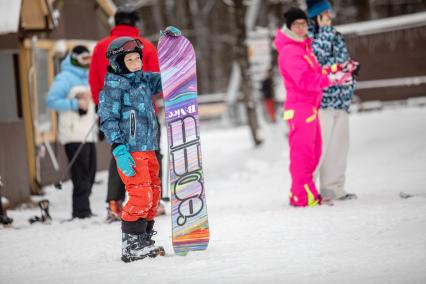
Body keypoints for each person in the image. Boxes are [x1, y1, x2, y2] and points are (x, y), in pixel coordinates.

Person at [89, 6, 165, 223]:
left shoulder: (100, 47)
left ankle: (114, 201)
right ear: (135, 22)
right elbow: (159, 71)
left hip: (119, 115)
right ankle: (137, 222)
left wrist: (98, 105)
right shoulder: (146, 47)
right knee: (133, 160)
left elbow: (94, 77)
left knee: (124, 160)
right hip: (139, 116)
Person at [274, 7, 350, 207]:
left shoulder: (303, 47)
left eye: (303, 24)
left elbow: (315, 71)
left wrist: (336, 69)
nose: (301, 28)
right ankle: (302, 197)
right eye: (296, 25)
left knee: (314, 152)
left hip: (310, 107)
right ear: (289, 27)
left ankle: (308, 194)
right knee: (303, 154)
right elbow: (304, 79)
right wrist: (330, 79)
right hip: (300, 108)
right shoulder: (290, 50)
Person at [98, 36, 165, 262]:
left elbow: (167, 78)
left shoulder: (143, 80)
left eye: (138, 58)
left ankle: (144, 239)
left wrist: (172, 46)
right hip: (131, 150)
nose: (137, 63)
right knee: (141, 195)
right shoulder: (114, 86)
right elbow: (107, 119)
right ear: (118, 62)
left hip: (149, 148)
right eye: (131, 59)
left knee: (154, 194)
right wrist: (118, 148)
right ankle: (131, 246)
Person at [306, 0, 359, 201]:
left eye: (329, 13)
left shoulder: (335, 35)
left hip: (341, 100)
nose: (330, 16)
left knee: (339, 148)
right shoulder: (310, 37)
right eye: (325, 13)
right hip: (323, 102)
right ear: (317, 15)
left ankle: (333, 188)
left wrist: (351, 73)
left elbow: (342, 60)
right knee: (319, 149)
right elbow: (317, 60)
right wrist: (325, 31)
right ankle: (307, 191)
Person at [47, 45, 97, 219]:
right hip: (73, 134)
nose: (87, 63)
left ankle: (84, 208)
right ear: (75, 58)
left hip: (88, 134)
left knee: (90, 174)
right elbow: (51, 101)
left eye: (89, 59)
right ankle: (81, 211)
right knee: (80, 175)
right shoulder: (65, 78)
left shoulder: (88, 77)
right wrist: (75, 104)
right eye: (84, 59)